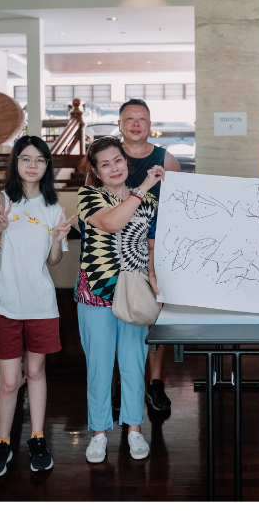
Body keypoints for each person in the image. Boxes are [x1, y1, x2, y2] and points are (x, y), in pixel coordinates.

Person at [0, 135, 73, 477]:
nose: (32, 164)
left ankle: (37, 438)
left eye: (40, 159)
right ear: (15, 162)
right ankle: (2, 442)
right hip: (4, 305)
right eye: (26, 158)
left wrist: (57, 240)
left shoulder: (53, 208)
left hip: (41, 305)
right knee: (10, 381)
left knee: (37, 372)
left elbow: (53, 261)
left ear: (47, 166)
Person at [76, 136, 162, 464]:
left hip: (135, 293)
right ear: (96, 172)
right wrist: (143, 188)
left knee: (133, 362)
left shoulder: (149, 202)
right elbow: (112, 223)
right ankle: (98, 433)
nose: (114, 168)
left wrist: (153, 277)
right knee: (99, 366)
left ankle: (134, 429)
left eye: (118, 160)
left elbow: (152, 245)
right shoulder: (88, 196)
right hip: (96, 292)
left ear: (126, 162)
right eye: (105, 164)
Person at [117, 98, 181, 412]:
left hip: (157, 249)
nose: (136, 124)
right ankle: (124, 382)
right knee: (120, 314)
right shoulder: (108, 156)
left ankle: (155, 381)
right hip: (116, 249)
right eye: (129, 118)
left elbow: (181, 204)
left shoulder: (165, 159)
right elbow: (92, 200)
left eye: (142, 118)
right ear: (119, 124)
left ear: (150, 124)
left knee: (155, 316)